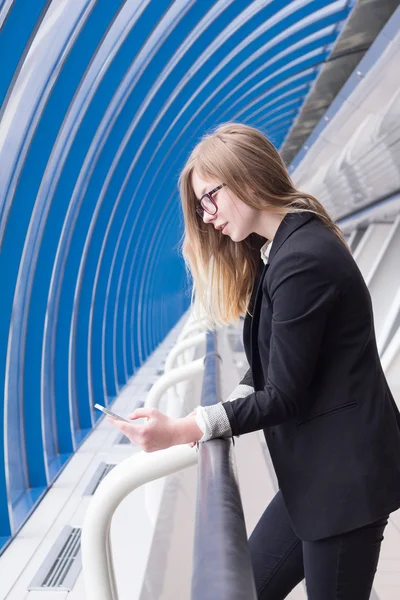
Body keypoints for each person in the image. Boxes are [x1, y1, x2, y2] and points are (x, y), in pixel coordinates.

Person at [108, 122, 400, 599]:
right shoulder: (282, 253)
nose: (206, 216)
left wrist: (188, 427)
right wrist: (233, 401)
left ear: (244, 177)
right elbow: (272, 363)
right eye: (201, 205)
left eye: (210, 198)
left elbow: (283, 393)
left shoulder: (301, 259)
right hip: (315, 479)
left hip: (345, 487)